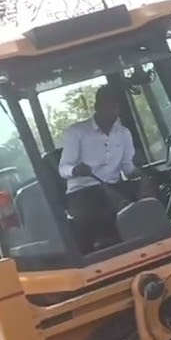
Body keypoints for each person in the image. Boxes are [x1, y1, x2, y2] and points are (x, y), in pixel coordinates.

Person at [58, 86, 141, 252]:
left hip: (114, 187)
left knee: (144, 205)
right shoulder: (76, 133)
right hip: (83, 192)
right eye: (108, 106)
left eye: (116, 107)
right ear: (97, 107)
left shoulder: (123, 133)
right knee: (96, 216)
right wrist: (75, 170)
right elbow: (63, 168)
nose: (113, 112)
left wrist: (141, 174)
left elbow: (127, 168)